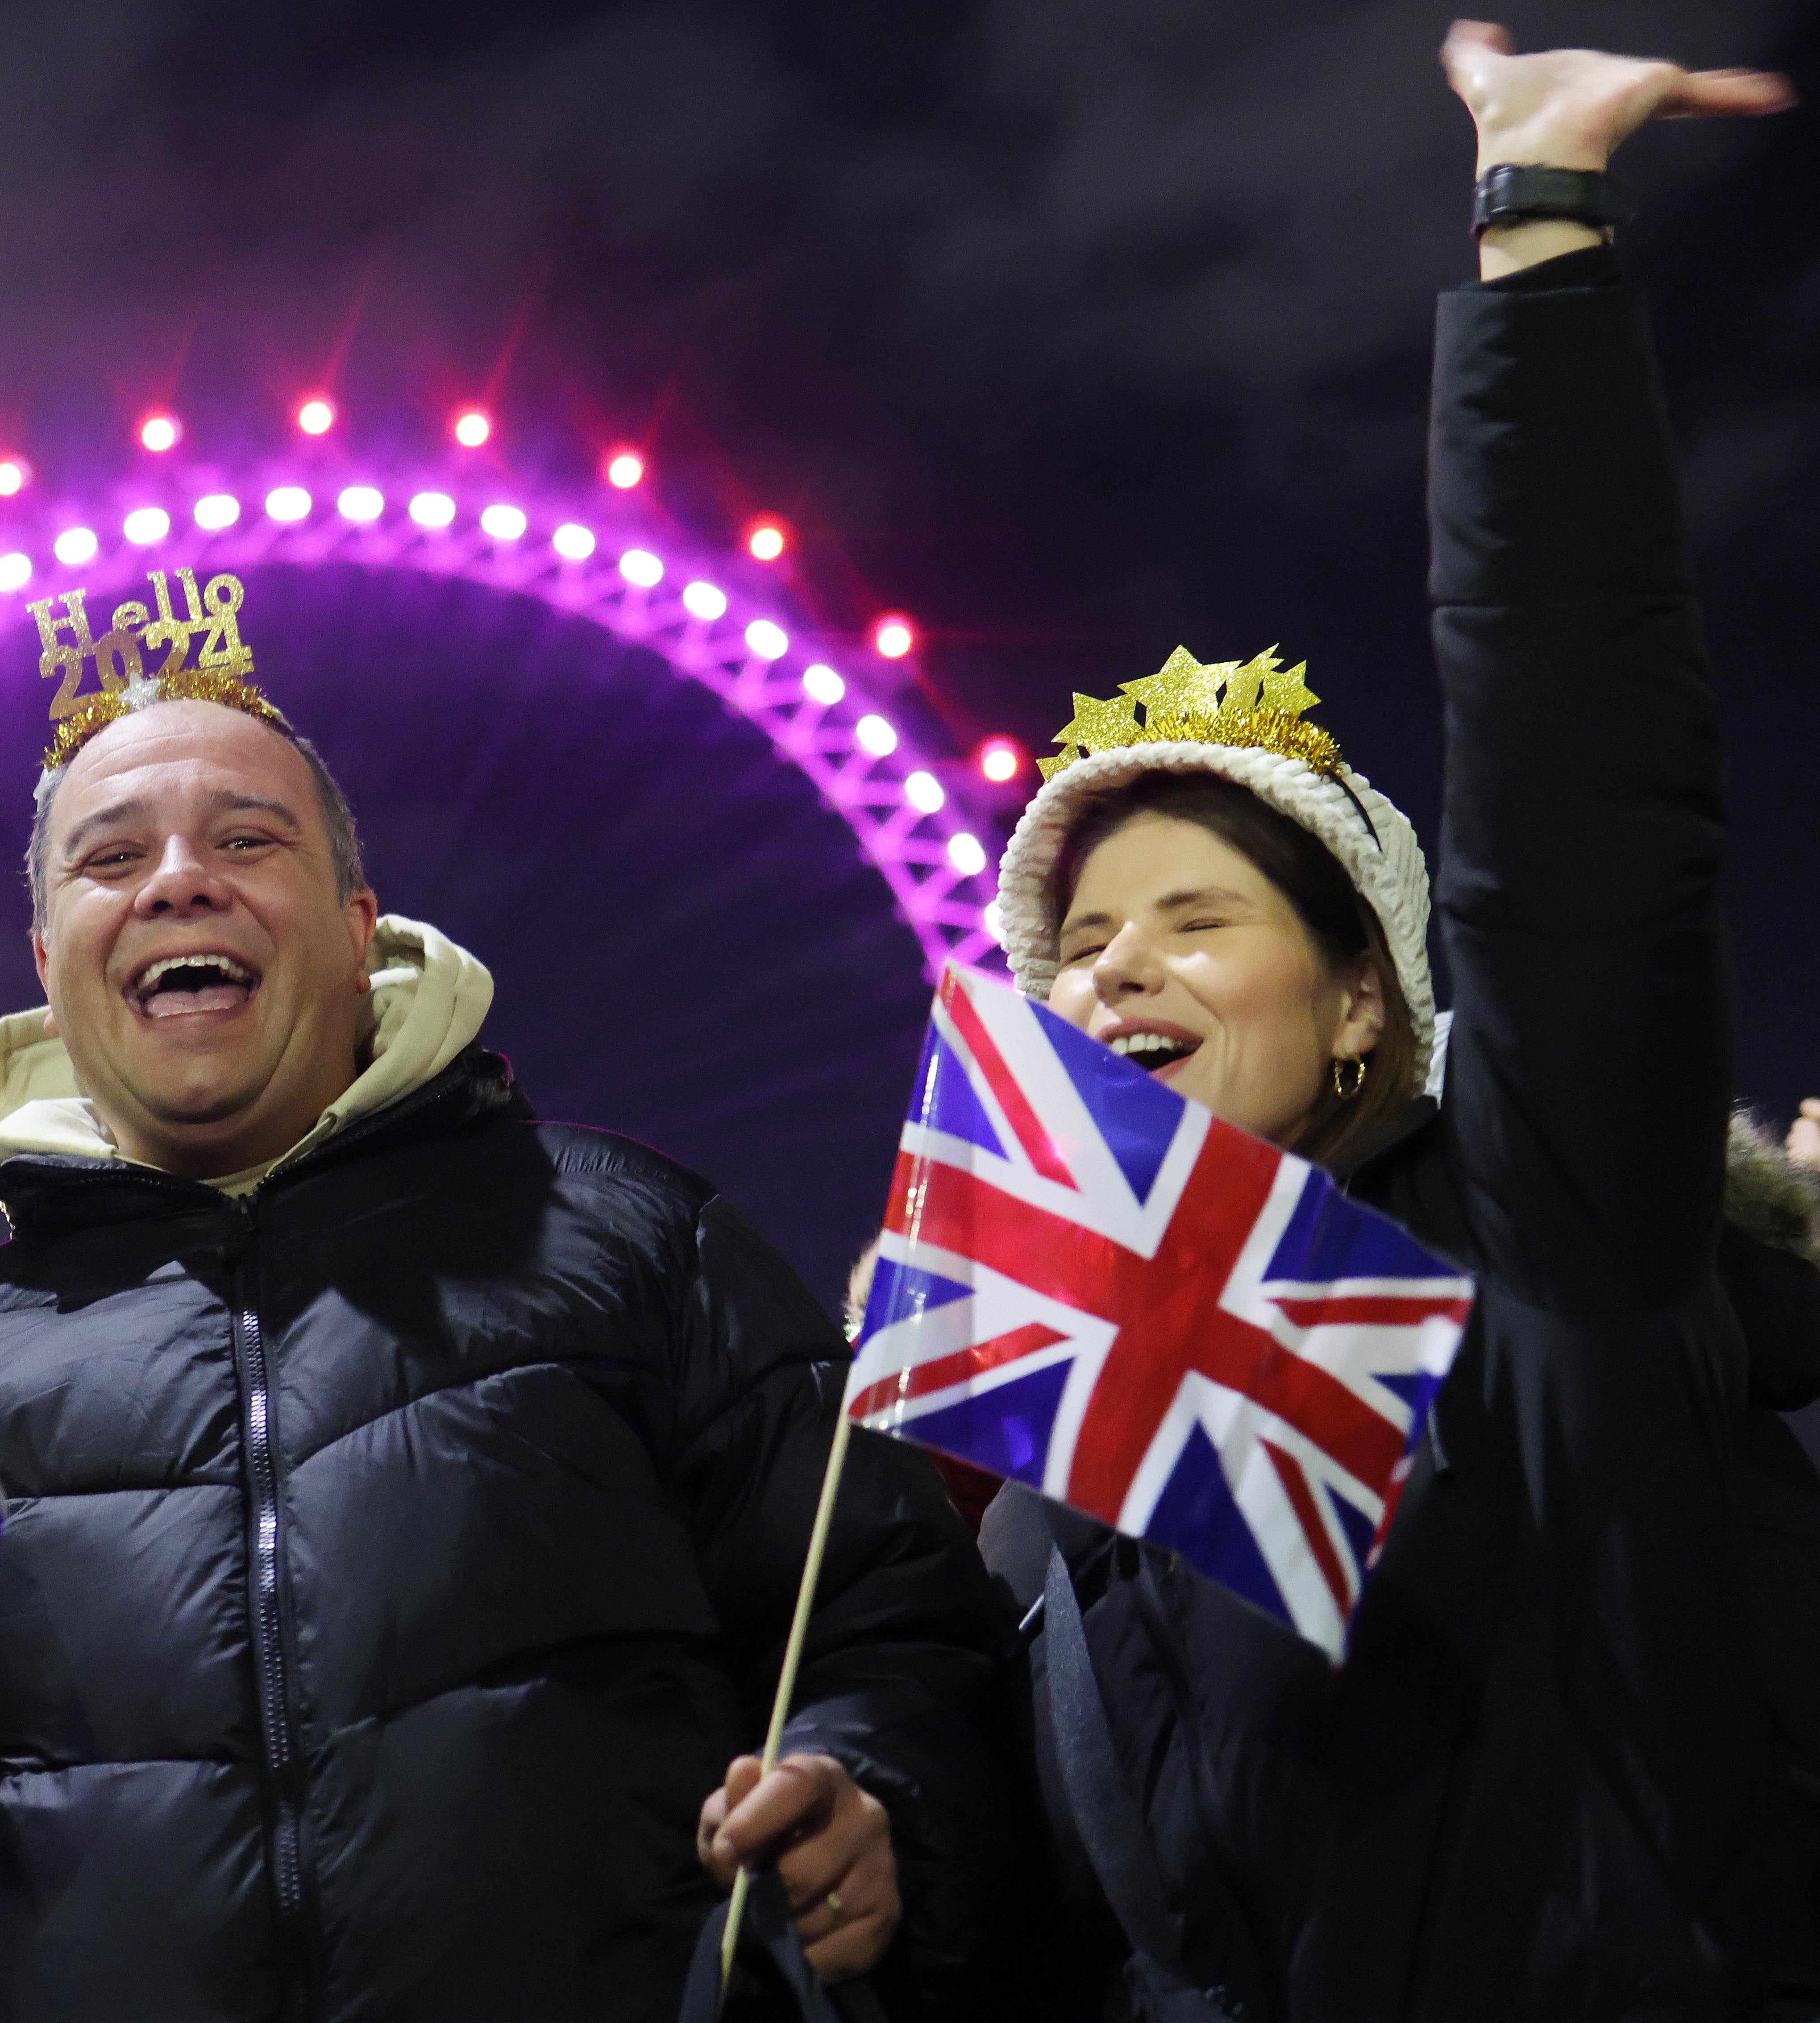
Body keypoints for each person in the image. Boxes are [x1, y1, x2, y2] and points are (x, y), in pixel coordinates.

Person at [720, 25, 1819, 2022]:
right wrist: (881, 1875)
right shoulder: (1059, 1474)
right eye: (1081, 940)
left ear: (1365, 1008)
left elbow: (1585, 854)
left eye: (1198, 918)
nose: (1114, 967)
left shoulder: (1552, 1281)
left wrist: (1543, 241)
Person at [0, 643, 1033, 2022]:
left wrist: (873, 1797)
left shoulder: (639, 1241)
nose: (179, 876)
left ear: (360, 925)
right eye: (109, 854)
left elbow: (898, 1634)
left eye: (244, 836)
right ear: (44, 960)